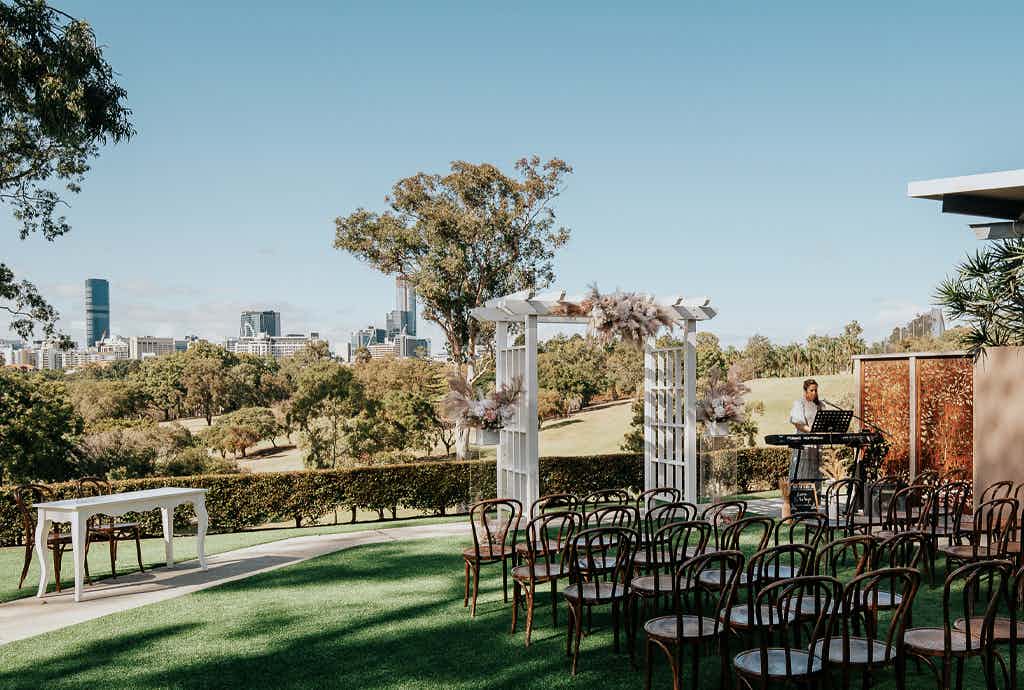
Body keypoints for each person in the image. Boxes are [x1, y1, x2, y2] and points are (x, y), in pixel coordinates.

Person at [788, 378, 823, 481]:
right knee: (803, 468)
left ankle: (816, 495)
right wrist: (811, 431)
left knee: (816, 470)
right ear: (805, 391)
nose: (814, 393)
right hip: (804, 441)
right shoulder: (799, 403)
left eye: (816, 390)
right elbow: (798, 424)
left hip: (817, 441)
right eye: (811, 390)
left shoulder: (819, 405)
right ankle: (802, 494)